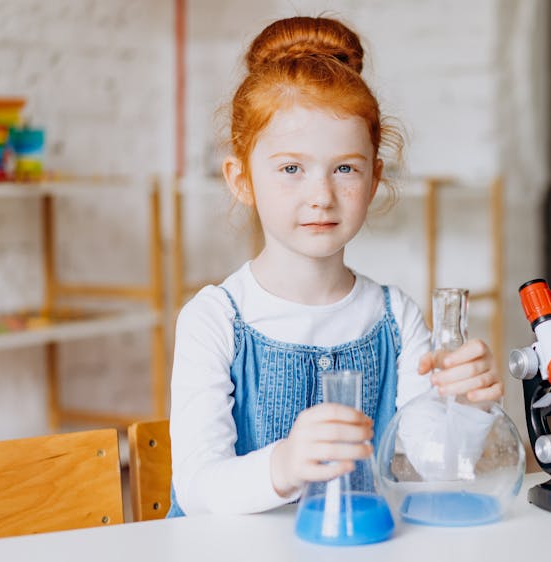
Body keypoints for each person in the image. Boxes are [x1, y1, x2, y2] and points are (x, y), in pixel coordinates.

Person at [167, 16, 504, 516]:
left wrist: (468, 406)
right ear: (241, 179)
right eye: (291, 169)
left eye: (345, 168)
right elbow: (198, 489)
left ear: (373, 180)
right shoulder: (213, 320)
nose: (321, 196)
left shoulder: (396, 317)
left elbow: (437, 466)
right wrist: (285, 464)